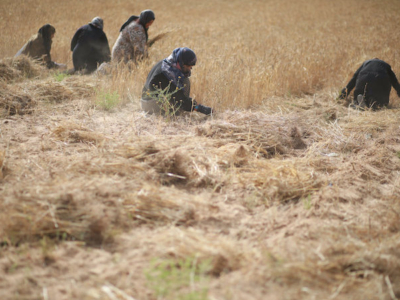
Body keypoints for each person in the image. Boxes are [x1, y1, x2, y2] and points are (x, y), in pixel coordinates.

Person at [141, 47, 213, 115]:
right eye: (188, 66)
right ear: (181, 63)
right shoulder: (167, 74)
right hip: (150, 104)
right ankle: (173, 114)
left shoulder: (167, 64)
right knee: (184, 84)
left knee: (184, 79)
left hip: (148, 100)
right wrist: (200, 108)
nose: (190, 68)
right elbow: (181, 101)